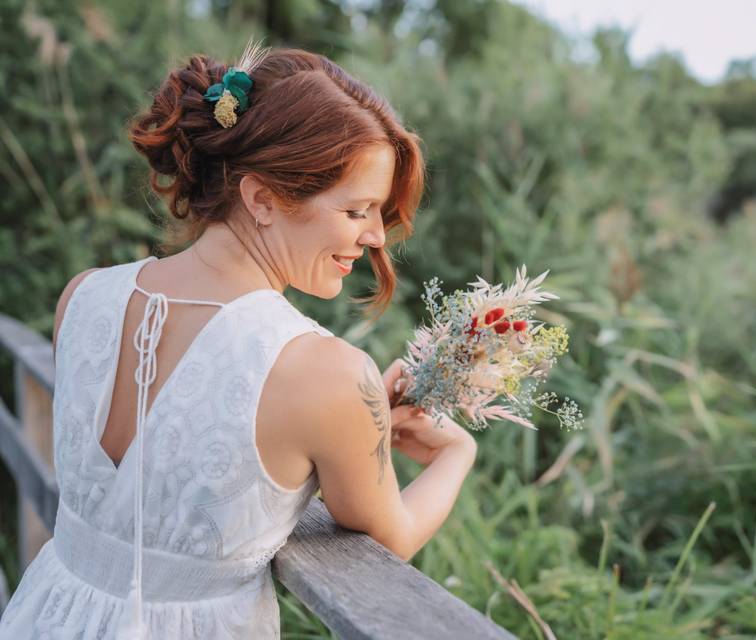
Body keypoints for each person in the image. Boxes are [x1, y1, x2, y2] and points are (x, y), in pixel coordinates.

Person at [0, 41, 478, 639]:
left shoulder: (83, 296)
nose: (377, 237)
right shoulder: (326, 374)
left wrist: (359, 417)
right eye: (358, 210)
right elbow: (394, 535)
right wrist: (458, 453)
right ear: (262, 199)